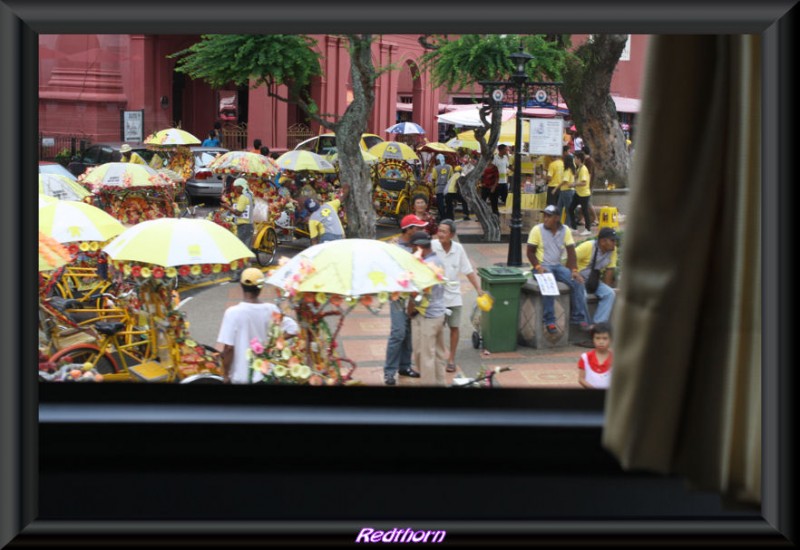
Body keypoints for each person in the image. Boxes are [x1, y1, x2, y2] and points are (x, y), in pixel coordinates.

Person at [216, 268, 299, 384]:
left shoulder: (232, 313)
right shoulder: (271, 310)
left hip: (241, 377)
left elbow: (229, 349)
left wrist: (225, 374)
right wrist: (275, 343)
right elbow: (293, 329)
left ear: (241, 285)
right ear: (261, 287)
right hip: (267, 375)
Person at [526, 204, 590, 334]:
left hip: (557, 265)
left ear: (556, 218)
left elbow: (571, 252)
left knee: (578, 281)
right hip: (542, 266)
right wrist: (538, 267)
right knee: (549, 281)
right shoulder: (537, 230)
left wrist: (574, 271)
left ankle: (578, 317)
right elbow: (530, 252)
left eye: (548, 216)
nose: (545, 219)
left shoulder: (565, 230)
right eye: (544, 216)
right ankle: (549, 321)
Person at [431, 219, 485, 373]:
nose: (440, 234)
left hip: (454, 296)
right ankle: (436, 356)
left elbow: (468, 270)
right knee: (437, 329)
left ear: (452, 235)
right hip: (435, 297)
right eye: (439, 231)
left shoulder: (458, 249)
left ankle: (451, 358)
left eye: (444, 232)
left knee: (454, 327)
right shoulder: (432, 246)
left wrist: (478, 289)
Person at [383, 214, 429, 385]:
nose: (421, 231)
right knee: (398, 332)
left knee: (408, 332)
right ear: (408, 230)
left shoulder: (418, 247)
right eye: (417, 228)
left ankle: (405, 366)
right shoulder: (393, 247)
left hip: (414, 295)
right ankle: (389, 371)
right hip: (398, 296)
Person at [407, 231, 447, 387]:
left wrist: (411, 306)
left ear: (419, 248)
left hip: (426, 316)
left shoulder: (425, 266)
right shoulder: (438, 261)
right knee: (437, 354)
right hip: (439, 314)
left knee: (424, 357)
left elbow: (420, 294)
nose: (412, 252)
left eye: (413, 249)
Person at [575, 227, 619, 326]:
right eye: (612, 240)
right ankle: (586, 325)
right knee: (583, 296)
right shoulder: (587, 247)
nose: (614, 243)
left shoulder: (613, 250)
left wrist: (605, 287)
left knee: (609, 293)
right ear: (603, 241)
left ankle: (598, 326)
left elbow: (610, 270)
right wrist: (574, 273)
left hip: (593, 279)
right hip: (578, 279)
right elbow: (570, 258)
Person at [222, 178, 255, 251]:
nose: (235, 189)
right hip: (249, 225)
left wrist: (227, 207)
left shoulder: (243, 197)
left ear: (241, 187)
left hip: (243, 225)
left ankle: (244, 262)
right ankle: (246, 261)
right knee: (247, 246)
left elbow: (238, 212)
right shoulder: (250, 195)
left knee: (241, 247)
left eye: (236, 187)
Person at [577, 322, 613, 389]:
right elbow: (581, 379)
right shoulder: (585, 357)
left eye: (605, 338)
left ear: (611, 340)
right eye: (597, 338)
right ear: (593, 339)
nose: (601, 342)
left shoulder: (615, 359)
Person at [570, 151, 593, 235]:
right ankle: (574, 227)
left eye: (575, 158)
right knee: (571, 208)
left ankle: (588, 229)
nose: (574, 160)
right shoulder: (579, 168)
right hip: (578, 193)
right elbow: (576, 177)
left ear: (579, 159)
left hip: (584, 194)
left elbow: (584, 183)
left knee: (585, 211)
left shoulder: (583, 169)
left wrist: (574, 184)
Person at [556, 154, 576, 229]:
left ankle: (567, 226)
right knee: (559, 208)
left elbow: (565, 181)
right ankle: (558, 224)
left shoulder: (568, 170)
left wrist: (556, 188)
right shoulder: (572, 169)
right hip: (565, 191)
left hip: (567, 191)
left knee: (567, 209)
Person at [433, 154, 453, 222]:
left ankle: (443, 217)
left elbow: (433, 179)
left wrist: (433, 188)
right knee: (449, 203)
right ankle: (449, 217)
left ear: (438, 160)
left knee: (440, 204)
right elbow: (451, 177)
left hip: (439, 188)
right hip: (448, 188)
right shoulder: (450, 167)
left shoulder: (435, 168)